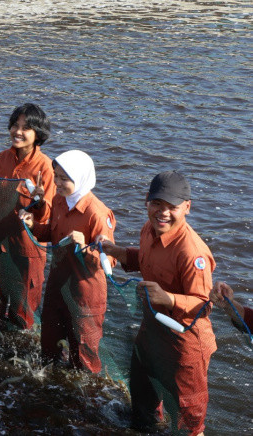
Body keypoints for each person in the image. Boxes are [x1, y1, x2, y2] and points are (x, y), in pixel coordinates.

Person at [101, 171, 215, 435]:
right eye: (156, 205)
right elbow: (146, 259)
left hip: (184, 344)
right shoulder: (148, 229)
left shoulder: (192, 252)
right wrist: (119, 253)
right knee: (142, 397)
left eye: (172, 207)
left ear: (187, 207)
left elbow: (204, 305)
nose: (163, 213)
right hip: (151, 331)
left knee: (188, 420)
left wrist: (170, 298)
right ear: (146, 202)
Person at [20, 150, 115, 372]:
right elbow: (52, 236)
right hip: (57, 288)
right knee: (49, 347)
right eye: (56, 176)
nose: (58, 183)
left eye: (65, 179)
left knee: (83, 359)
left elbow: (109, 261)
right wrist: (33, 224)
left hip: (85, 297)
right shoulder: (59, 200)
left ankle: (86, 401)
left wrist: (84, 248)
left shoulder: (98, 213)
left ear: (80, 179)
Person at [0, 103, 54, 331]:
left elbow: (48, 217)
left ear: (38, 134)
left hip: (26, 253)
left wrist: (39, 202)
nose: (18, 132)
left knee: (22, 317)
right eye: (15, 125)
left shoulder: (46, 167)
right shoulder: (2, 158)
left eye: (26, 128)